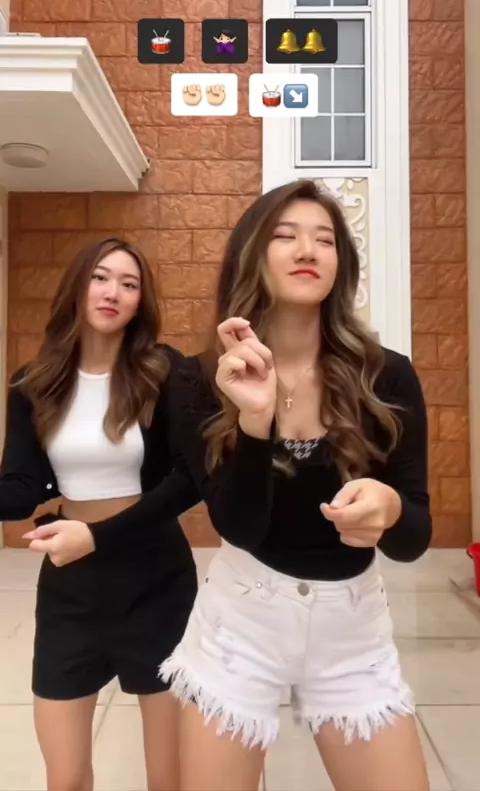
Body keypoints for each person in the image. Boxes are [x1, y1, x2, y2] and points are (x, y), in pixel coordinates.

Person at [27, 182, 432, 791]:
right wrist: (255, 423)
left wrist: (392, 506)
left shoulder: (387, 375)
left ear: (341, 264)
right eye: (285, 236)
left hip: (353, 630)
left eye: (325, 239)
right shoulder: (200, 380)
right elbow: (240, 526)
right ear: (252, 255)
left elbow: (413, 539)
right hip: (242, 624)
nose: (308, 249)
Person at [0, 237, 200, 791]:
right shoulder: (32, 383)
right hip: (71, 588)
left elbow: (189, 481)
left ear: (140, 302)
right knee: (65, 778)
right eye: (101, 278)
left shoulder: (164, 372)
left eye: (129, 284)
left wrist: (97, 537)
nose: (113, 292)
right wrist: (82, 541)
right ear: (77, 287)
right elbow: (20, 488)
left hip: (156, 579)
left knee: (169, 778)